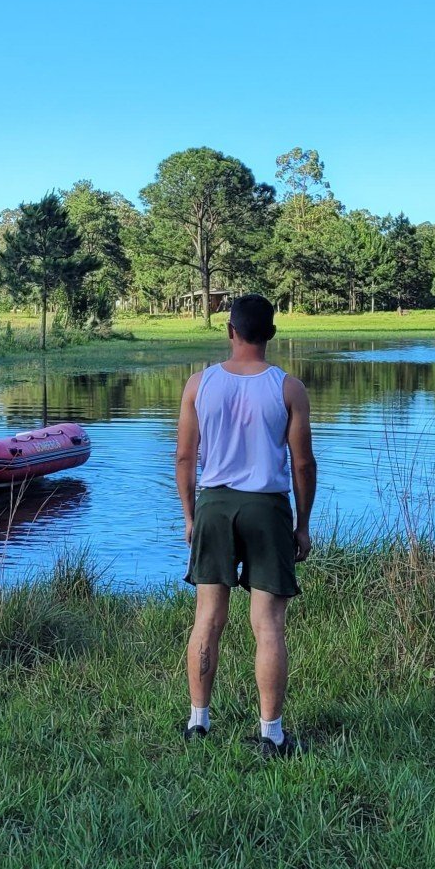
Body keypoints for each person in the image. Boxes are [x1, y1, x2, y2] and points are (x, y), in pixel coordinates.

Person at [174, 294, 317, 757]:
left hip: (214, 505)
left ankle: (198, 723)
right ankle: (271, 735)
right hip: (267, 507)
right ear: (270, 335)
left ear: (230, 332)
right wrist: (303, 525)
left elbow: (184, 457)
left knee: (208, 618)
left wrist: (190, 516)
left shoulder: (200, 384)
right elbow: (302, 465)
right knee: (268, 624)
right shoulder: (287, 388)